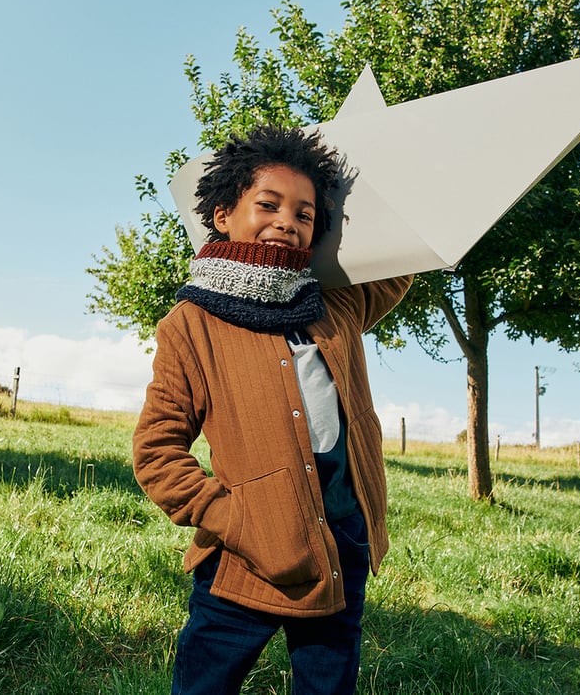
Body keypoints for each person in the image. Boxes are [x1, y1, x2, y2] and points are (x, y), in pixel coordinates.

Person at [133, 123, 413, 695]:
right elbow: (156, 452)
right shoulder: (191, 325)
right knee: (205, 684)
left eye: (306, 214)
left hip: (343, 544)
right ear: (221, 216)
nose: (287, 220)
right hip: (244, 560)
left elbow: (399, 256)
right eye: (268, 204)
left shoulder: (335, 305)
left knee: (327, 683)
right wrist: (234, 521)